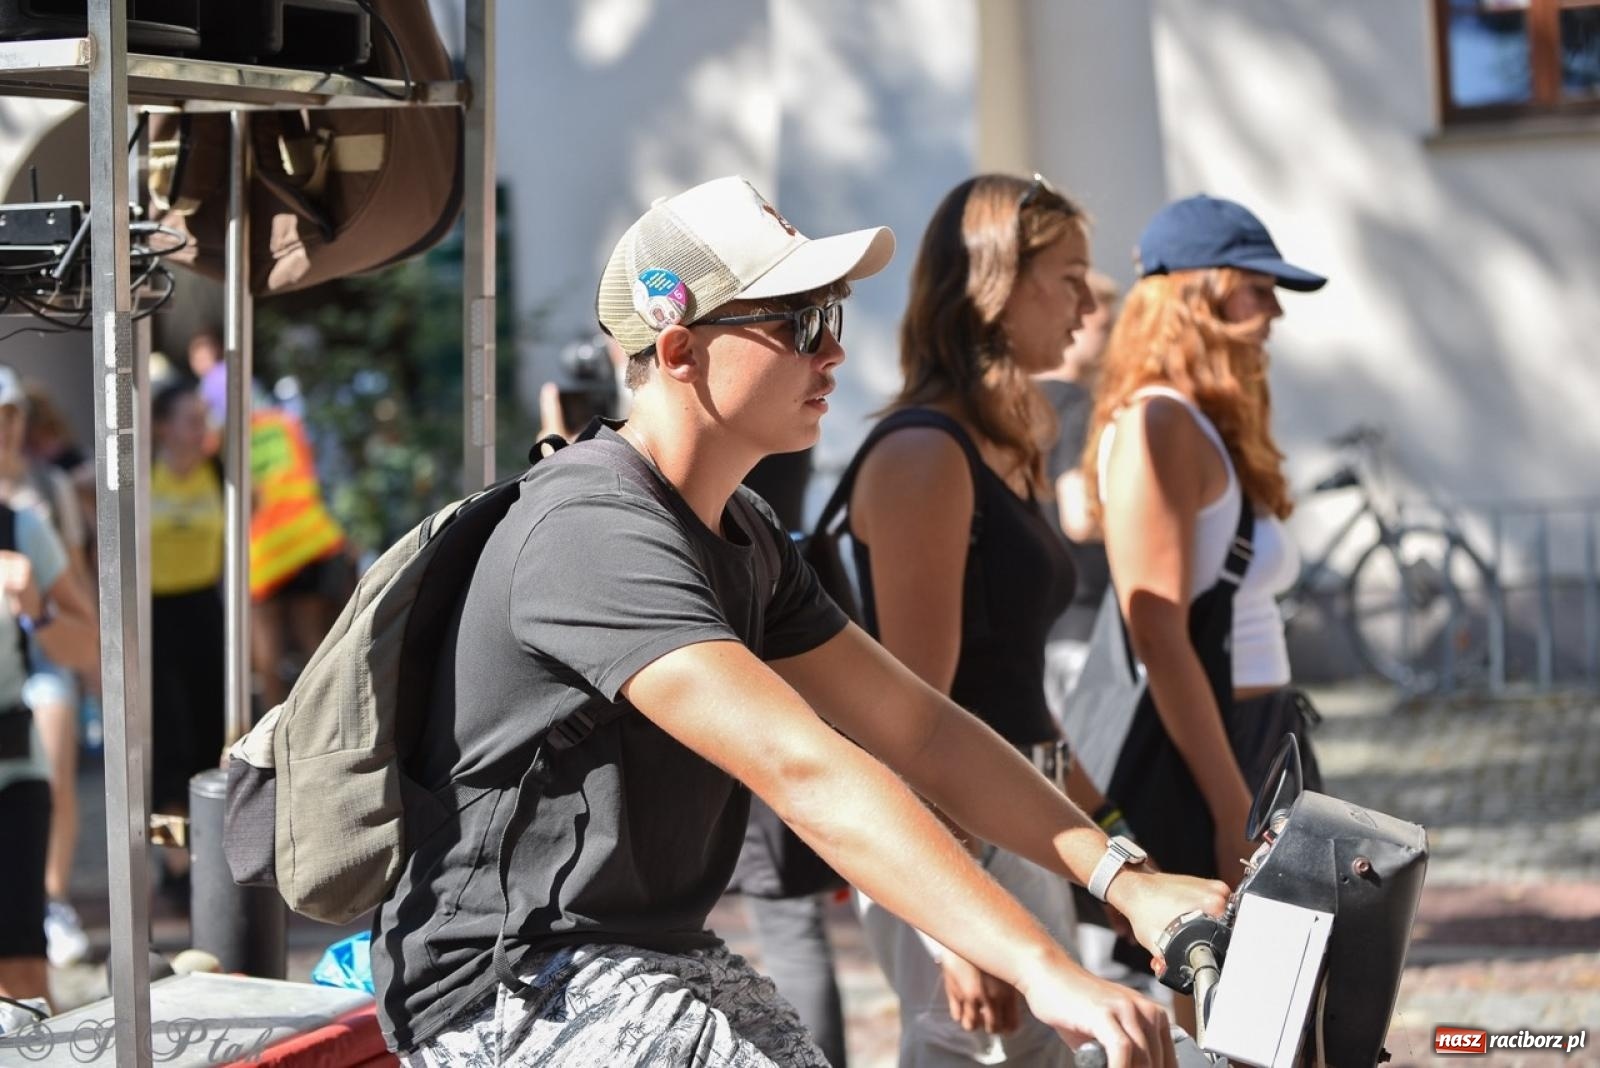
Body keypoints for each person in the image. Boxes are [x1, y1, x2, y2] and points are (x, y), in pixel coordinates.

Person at [379, 175, 1228, 1068]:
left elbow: (922, 729)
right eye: (799, 323)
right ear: (677, 352)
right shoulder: (592, 532)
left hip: (650, 949)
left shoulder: (741, 528)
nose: (834, 353)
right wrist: (1043, 966)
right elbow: (806, 770)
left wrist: (1124, 882)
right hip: (508, 982)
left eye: (836, 314)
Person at [844, 175, 1130, 1067]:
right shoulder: (925, 453)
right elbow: (912, 716)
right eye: (1070, 276)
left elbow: (1017, 687)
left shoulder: (1009, 447)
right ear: (996, 287)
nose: (1089, 302)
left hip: (1017, 815)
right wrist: (954, 925)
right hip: (952, 843)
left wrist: (1114, 839)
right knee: (976, 1055)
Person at [1083, 192, 1327, 897]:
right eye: (1258, 289)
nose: (1275, 311)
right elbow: (1155, 630)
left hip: (1259, 732)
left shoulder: (1194, 419)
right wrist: (1231, 807)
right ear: (1199, 295)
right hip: (1218, 746)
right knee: (1236, 989)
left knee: (1290, 986)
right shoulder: (1159, 422)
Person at [0, 386, 98, 1004]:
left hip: (12, 772)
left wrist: (36, 610)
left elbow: (91, 648)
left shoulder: (22, 528)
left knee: (24, 981)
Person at [149, 379, 227, 887]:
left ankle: (206, 858)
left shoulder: (221, 474)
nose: (201, 430)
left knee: (206, 737)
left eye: (205, 419)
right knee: (165, 745)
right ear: (161, 427)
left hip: (204, 612)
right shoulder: (138, 475)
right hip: (154, 616)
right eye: (190, 419)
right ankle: (173, 863)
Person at [1037, 271, 1120, 717]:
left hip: (1041, 618)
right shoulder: (1080, 406)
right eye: (1105, 328)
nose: (1110, 343)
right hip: (1083, 621)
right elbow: (1081, 517)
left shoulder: (1019, 402)